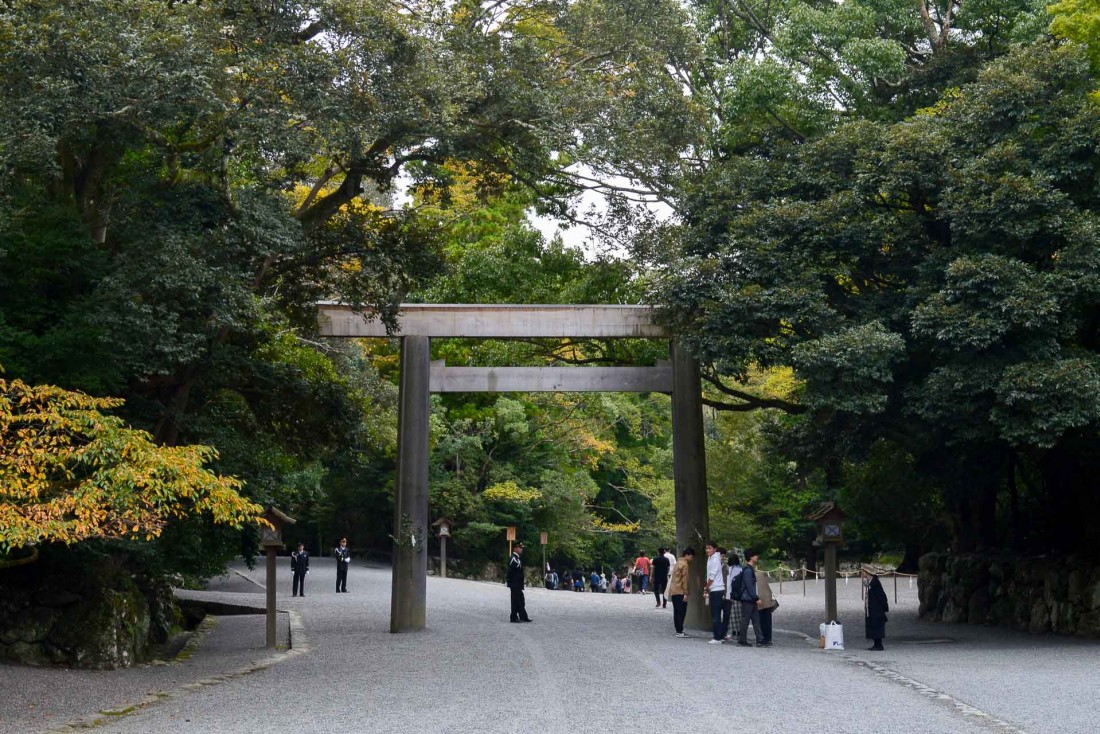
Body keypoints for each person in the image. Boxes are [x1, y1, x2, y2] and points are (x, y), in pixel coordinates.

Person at [736, 550, 765, 646]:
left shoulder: (749, 569)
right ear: (751, 557)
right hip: (748, 599)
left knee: (755, 619)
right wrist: (756, 598)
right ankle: (742, 640)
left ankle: (759, 639)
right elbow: (749, 586)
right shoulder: (748, 570)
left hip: (749, 598)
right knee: (746, 619)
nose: (757, 556)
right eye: (755, 555)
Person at [668, 547, 695, 637]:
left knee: (676, 611)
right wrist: (686, 593)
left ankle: (678, 630)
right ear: (687, 555)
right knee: (681, 611)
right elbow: (685, 579)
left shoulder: (678, 563)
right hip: (681, 591)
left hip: (674, 590)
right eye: (691, 556)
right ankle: (680, 631)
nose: (692, 558)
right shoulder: (684, 564)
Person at [703, 541, 725, 644]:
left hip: (716, 588)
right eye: (707, 548)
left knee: (716, 614)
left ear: (715, 549)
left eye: (710, 548)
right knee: (715, 613)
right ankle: (719, 636)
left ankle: (717, 638)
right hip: (714, 588)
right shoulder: (711, 558)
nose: (708, 550)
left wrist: (707, 586)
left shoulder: (715, 559)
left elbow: (712, 575)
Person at [507, 541, 531, 622]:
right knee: (515, 600)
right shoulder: (514, 558)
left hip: (517, 583)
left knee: (520, 599)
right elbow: (510, 571)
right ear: (515, 548)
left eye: (521, 548)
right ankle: (513, 617)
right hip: (514, 583)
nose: (521, 549)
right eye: (520, 548)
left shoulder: (517, 558)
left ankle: (523, 616)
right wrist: (510, 581)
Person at [865, 571, 889, 650]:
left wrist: (883, 607)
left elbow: (880, 595)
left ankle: (879, 645)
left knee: (876, 624)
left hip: (877, 607)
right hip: (872, 607)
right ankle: (876, 643)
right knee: (873, 624)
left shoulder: (875, 582)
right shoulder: (871, 581)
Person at [756, 567, 777, 647]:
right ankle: (768, 639)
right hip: (768, 600)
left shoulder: (754, 575)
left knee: (760, 621)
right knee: (767, 621)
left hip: (759, 600)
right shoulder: (767, 575)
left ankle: (762, 638)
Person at [726, 553, 743, 641]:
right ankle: (739, 632)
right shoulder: (740, 569)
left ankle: (732, 632)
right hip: (739, 595)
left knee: (731, 614)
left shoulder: (728, 569)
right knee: (739, 614)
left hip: (730, 594)